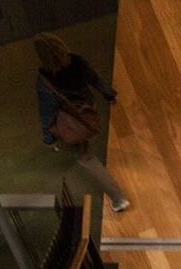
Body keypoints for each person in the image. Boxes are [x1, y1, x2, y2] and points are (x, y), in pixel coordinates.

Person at [33, 33, 130, 213]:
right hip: (86, 110)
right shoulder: (77, 61)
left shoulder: (45, 80)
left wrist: (49, 139)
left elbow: (47, 113)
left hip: (70, 122)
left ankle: (118, 198)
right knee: (88, 144)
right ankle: (117, 197)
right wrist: (109, 94)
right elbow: (95, 79)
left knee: (86, 158)